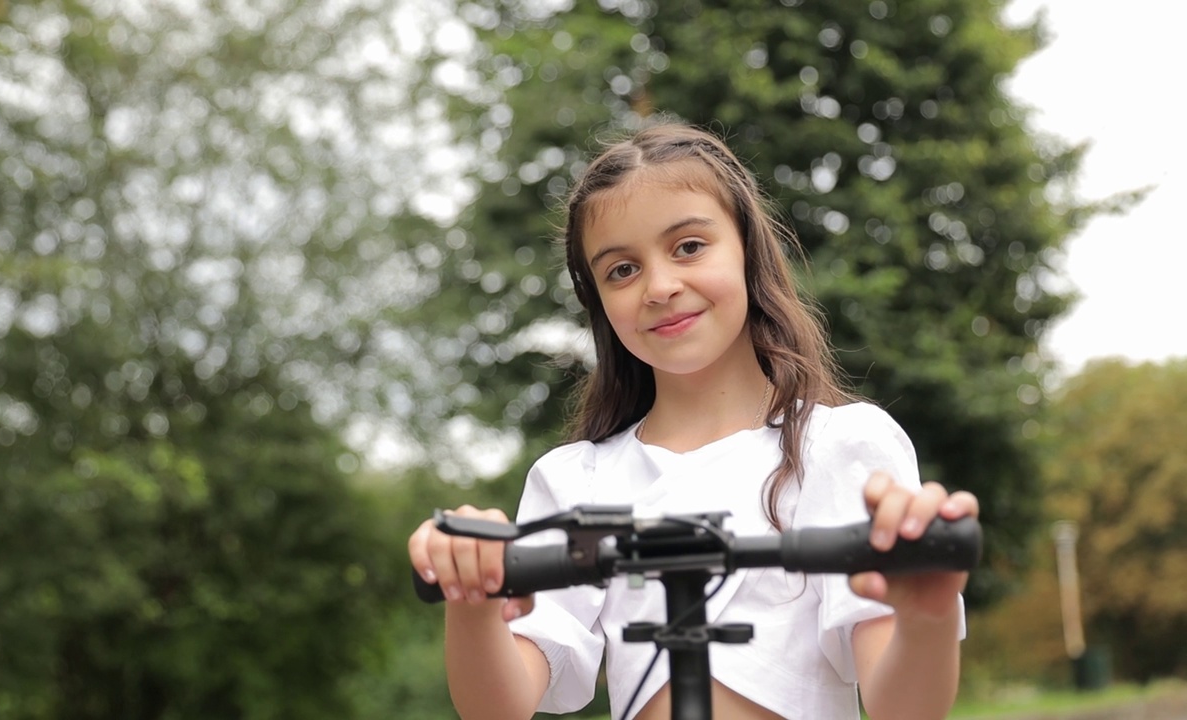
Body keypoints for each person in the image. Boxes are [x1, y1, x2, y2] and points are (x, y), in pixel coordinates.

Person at [407, 123, 979, 720]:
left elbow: (903, 709)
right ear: (598, 300)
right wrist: (473, 597)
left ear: (749, 251)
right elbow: (499, 708)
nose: (660, 286)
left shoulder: (840, 448)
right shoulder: (576, 481)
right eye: (622, 270)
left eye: (688, 247)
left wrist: (925, 617)